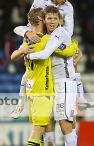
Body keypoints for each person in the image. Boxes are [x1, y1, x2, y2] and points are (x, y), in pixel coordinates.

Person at [12, 0, 94, 119]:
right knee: (29, 72)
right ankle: (20, 104)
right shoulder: (40, 0)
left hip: (54, 40)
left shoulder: (69, 7)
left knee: (72, 62)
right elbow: (30, 21)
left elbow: (69, 31)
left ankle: (81, 99)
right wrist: (28, 33)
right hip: (39, 38)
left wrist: (62, 42)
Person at [11, 8, 78, 146]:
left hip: (34, 88)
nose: (50, 21)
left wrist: (23, 50)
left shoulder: (27, 40)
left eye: (53, 18)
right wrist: (75, 45)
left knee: (47, 126)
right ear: (42, 20)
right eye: (48, 18)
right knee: (40, 129)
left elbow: (13, 55)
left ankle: (20, 104)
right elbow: (68, 51)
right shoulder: (47, 39)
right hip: (43, 90)